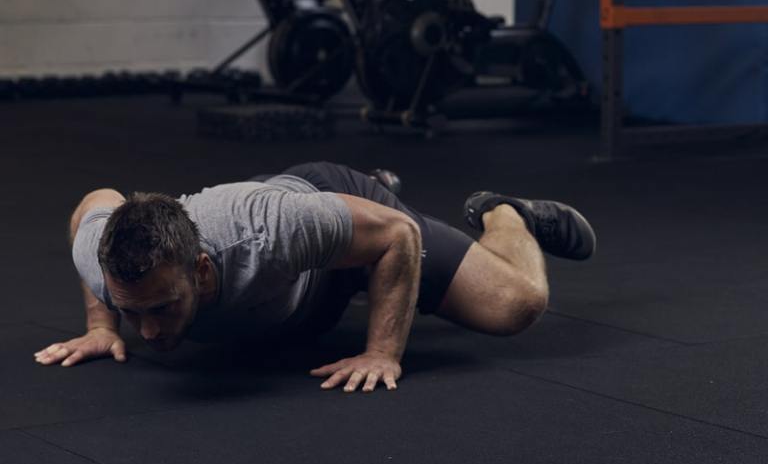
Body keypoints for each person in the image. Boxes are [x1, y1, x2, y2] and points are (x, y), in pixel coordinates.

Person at [34, 161, 596, 393]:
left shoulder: (265, 231)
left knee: (515, 305)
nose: (148, 333)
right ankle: (350, 229)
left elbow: (399, 235)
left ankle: (505, 212)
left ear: (201, 269)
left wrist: (382, 352)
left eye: (161, 309)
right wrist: (101, 323)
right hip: (302, 260)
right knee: (335, 239)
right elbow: (95, 202)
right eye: (133, 312)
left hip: (330, 214)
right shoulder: (105, 257)